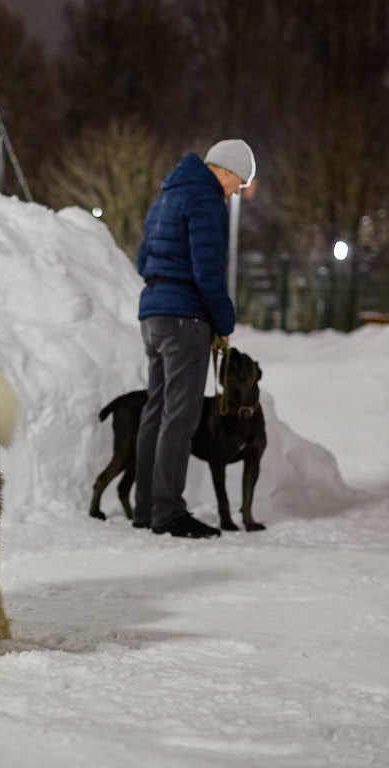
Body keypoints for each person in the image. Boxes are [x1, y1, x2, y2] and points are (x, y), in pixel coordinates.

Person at [132, 139, 255, 538]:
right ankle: (169, 512)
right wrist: (223, 322)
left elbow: (141, 258)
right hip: (185, 318)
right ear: (226, 169)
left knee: (156, 408)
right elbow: (208, 270)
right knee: (180, 416)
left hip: (153, 313)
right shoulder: (206, 199)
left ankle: (146, 508)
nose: (237, 191)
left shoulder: (168, 193)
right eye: (239, 182)